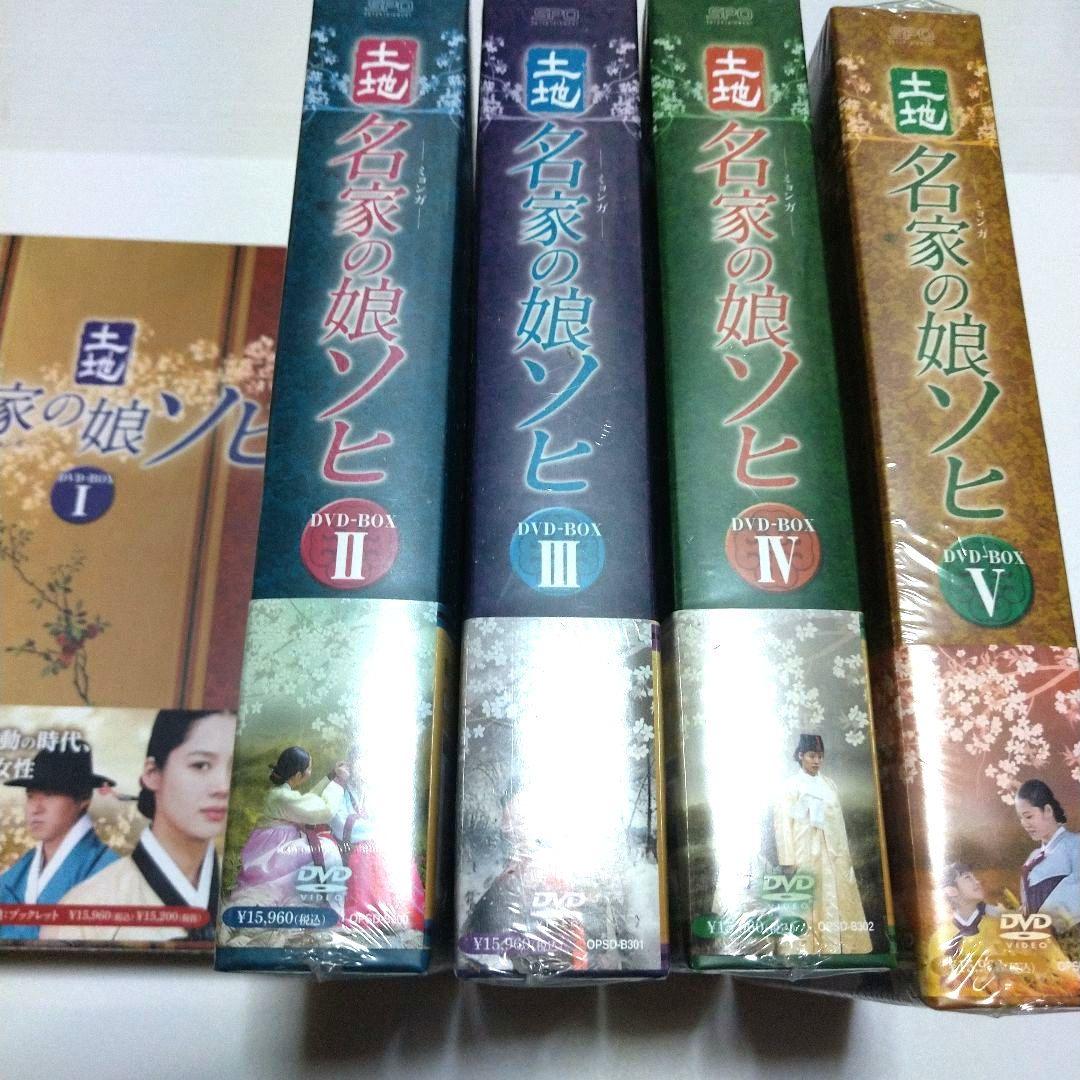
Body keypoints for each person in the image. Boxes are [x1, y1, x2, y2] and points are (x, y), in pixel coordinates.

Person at [41, 710, 234, 943]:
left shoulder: (259, 895)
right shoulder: (84, 908)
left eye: (235, 768)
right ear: (152, 773)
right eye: (201, 765)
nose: (223, 787)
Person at [0, 744, 118, 939]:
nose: (36, 809)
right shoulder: (21, 870)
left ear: (84, 798)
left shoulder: (109, 869)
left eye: (49, 795)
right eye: (30, 796)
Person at [923, 861, 1080, 1005]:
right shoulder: (940, 938)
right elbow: (940, 988)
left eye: (974, 877)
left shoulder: (999, 926)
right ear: (951, 891)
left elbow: (1034, 968)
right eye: (967, 878)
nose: (977, 882)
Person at [773, 733, 872, 955]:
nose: (816, 761)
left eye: (820, 756)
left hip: (832, 851)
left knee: (835, 895)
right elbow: (783, 824)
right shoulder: (790, 787)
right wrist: (788, 859)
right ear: (800, 756)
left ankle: (837, 947)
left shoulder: (829, 785)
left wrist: (843, 853)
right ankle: (801, 949)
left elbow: (838, 822)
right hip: (804, 850)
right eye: (811, 756)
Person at [223, 746, 348, 910]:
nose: (310, 772)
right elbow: (324, 811)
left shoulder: (281, 793)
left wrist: (330, 777)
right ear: (298, 775)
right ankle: (330, 907)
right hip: (272, 853)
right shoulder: (282, 797)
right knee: (328, 849)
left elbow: (307, 800)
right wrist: (338, 784)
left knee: (318, 847)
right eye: (309, 768)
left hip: (271, 847)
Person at [330, 760, 425, 937]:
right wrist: (373, 831)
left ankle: (395, 912)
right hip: (354, 842)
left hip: (379, 839)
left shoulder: (377, 790)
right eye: (359, 765)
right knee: (368, 853)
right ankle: (369, 913)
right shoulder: (342, 790)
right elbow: (339, 821)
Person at [1015, 778, 1080, 961]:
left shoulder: (1075, 844)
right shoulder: (1032, 858)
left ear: (1048, 810)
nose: (1025, 823)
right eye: (1021, 818)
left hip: (1070, 943)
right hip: (1038, 946)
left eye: (1029, 816)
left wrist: (1045, 919)